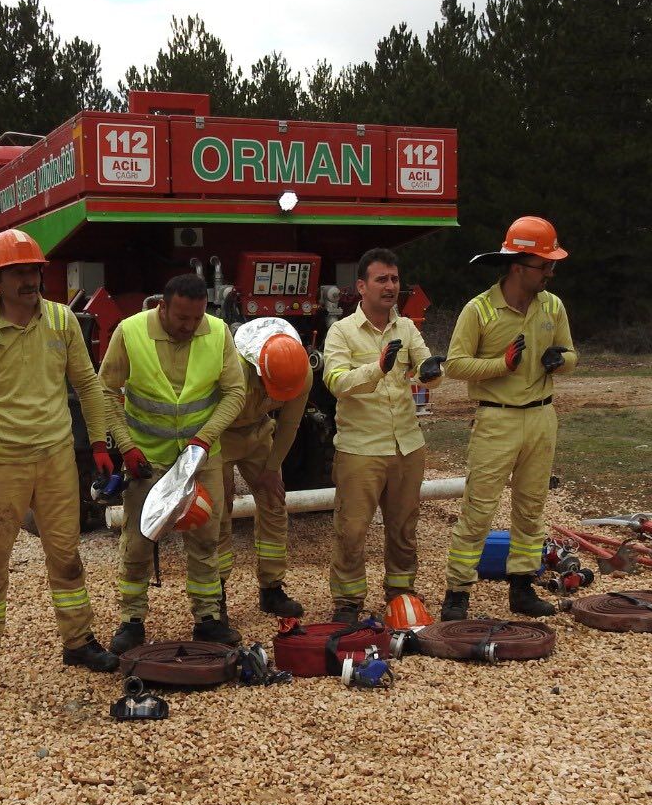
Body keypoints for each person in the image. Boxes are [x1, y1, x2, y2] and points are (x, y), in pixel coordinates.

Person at [0, 228, 119, 687]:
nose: (28, 280)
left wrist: (98, 442)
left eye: (33, 271)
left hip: (56, 458)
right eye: (16, 272)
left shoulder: (62, 322)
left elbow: (88, 383)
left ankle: (78, 642)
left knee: (66, 555)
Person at [100, 273, 246, 654]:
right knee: (137, 540)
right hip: (146, 458)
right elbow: (105, 390)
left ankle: (208, 619)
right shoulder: (129, 332)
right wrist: (127, 446)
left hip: (201, 458)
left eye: (196, 318)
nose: (189, 326)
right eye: (181, 318)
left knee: (206, 539)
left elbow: (235, 393)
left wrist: (205, 438)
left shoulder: (217, 333)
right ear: (161, 306)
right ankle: (131, 620)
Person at [440, 216, 576, 620]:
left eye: (552, 265)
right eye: (544, 265)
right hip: (496, 420)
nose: (551, 272)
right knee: (478, 510)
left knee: (531, 508)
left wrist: (561, 361)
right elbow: (455, 365)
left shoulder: (552, 305)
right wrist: (501, 365)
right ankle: (457, 593)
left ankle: (522, 588)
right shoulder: (479, 310)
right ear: (518, 266)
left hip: (541, 417)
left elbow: (571, 353)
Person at [321, 248, 444, 624]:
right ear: (361, 286)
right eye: (382, 280)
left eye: (394, 279)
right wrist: (376, 369)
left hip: (407, 445)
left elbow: (426, 370)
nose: (391, 286)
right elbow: (336, 382)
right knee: (352, 529)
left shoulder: (406, 327)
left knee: (404, 526)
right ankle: (347, 601)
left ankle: (401, 593)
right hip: (360, 448)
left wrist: (432, 371)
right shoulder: (341, 331)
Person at [215, 319, 312, 617]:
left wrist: (272, 468)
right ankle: (214, 594)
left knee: (274, 504)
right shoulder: (230, 369)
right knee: (218, 511)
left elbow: (290, 423)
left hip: (258, 433)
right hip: (219, 435)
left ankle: (272, 588)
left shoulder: (299, 373)